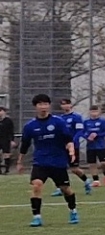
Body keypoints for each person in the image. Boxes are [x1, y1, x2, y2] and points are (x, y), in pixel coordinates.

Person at [19, 94, 79, 226]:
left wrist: (71, 150)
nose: (43, 107)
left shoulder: (58, 122)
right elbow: (24, 145)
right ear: (35, 107)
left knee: (65, 189)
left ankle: (73, 210)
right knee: (36, 185)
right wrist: (20, 162)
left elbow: (68, 139)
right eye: (40, 104)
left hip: (58, 162)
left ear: (49, 106)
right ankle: (37, 217)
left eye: (45, 104)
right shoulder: (30, 126)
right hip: (40, 162)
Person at [81, 105, 105, 190]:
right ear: (90, 112)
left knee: (103, 163)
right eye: (92, 111)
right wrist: (87, 137)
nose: (94, 113)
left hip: (101, 145)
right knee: (92, 164)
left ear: (99, 112)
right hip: (90, 146)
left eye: (96, 111)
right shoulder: (86, 122)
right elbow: (83, 132)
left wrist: (97, 135)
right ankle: (96, 181)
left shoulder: (102, 121)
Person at [0, 105, 15, 175]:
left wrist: (12, 140)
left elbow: (11, 131)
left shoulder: (8, 121)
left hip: (5, 139)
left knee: (6, 154)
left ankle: (7, 169)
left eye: (1, 111)